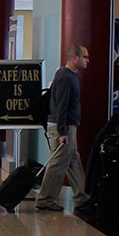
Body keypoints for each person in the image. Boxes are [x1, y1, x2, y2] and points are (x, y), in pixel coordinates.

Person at [36, 45, 92, 212]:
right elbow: (62, 105)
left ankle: (82, 196)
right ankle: (45, 199)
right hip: (63, 127)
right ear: (75, 57)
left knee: (73, 160)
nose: (87, 60)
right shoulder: (66, 77)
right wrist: (62, 132)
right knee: (58, 163)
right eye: (85, 56)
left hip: (67, 126)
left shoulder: (66, 75)